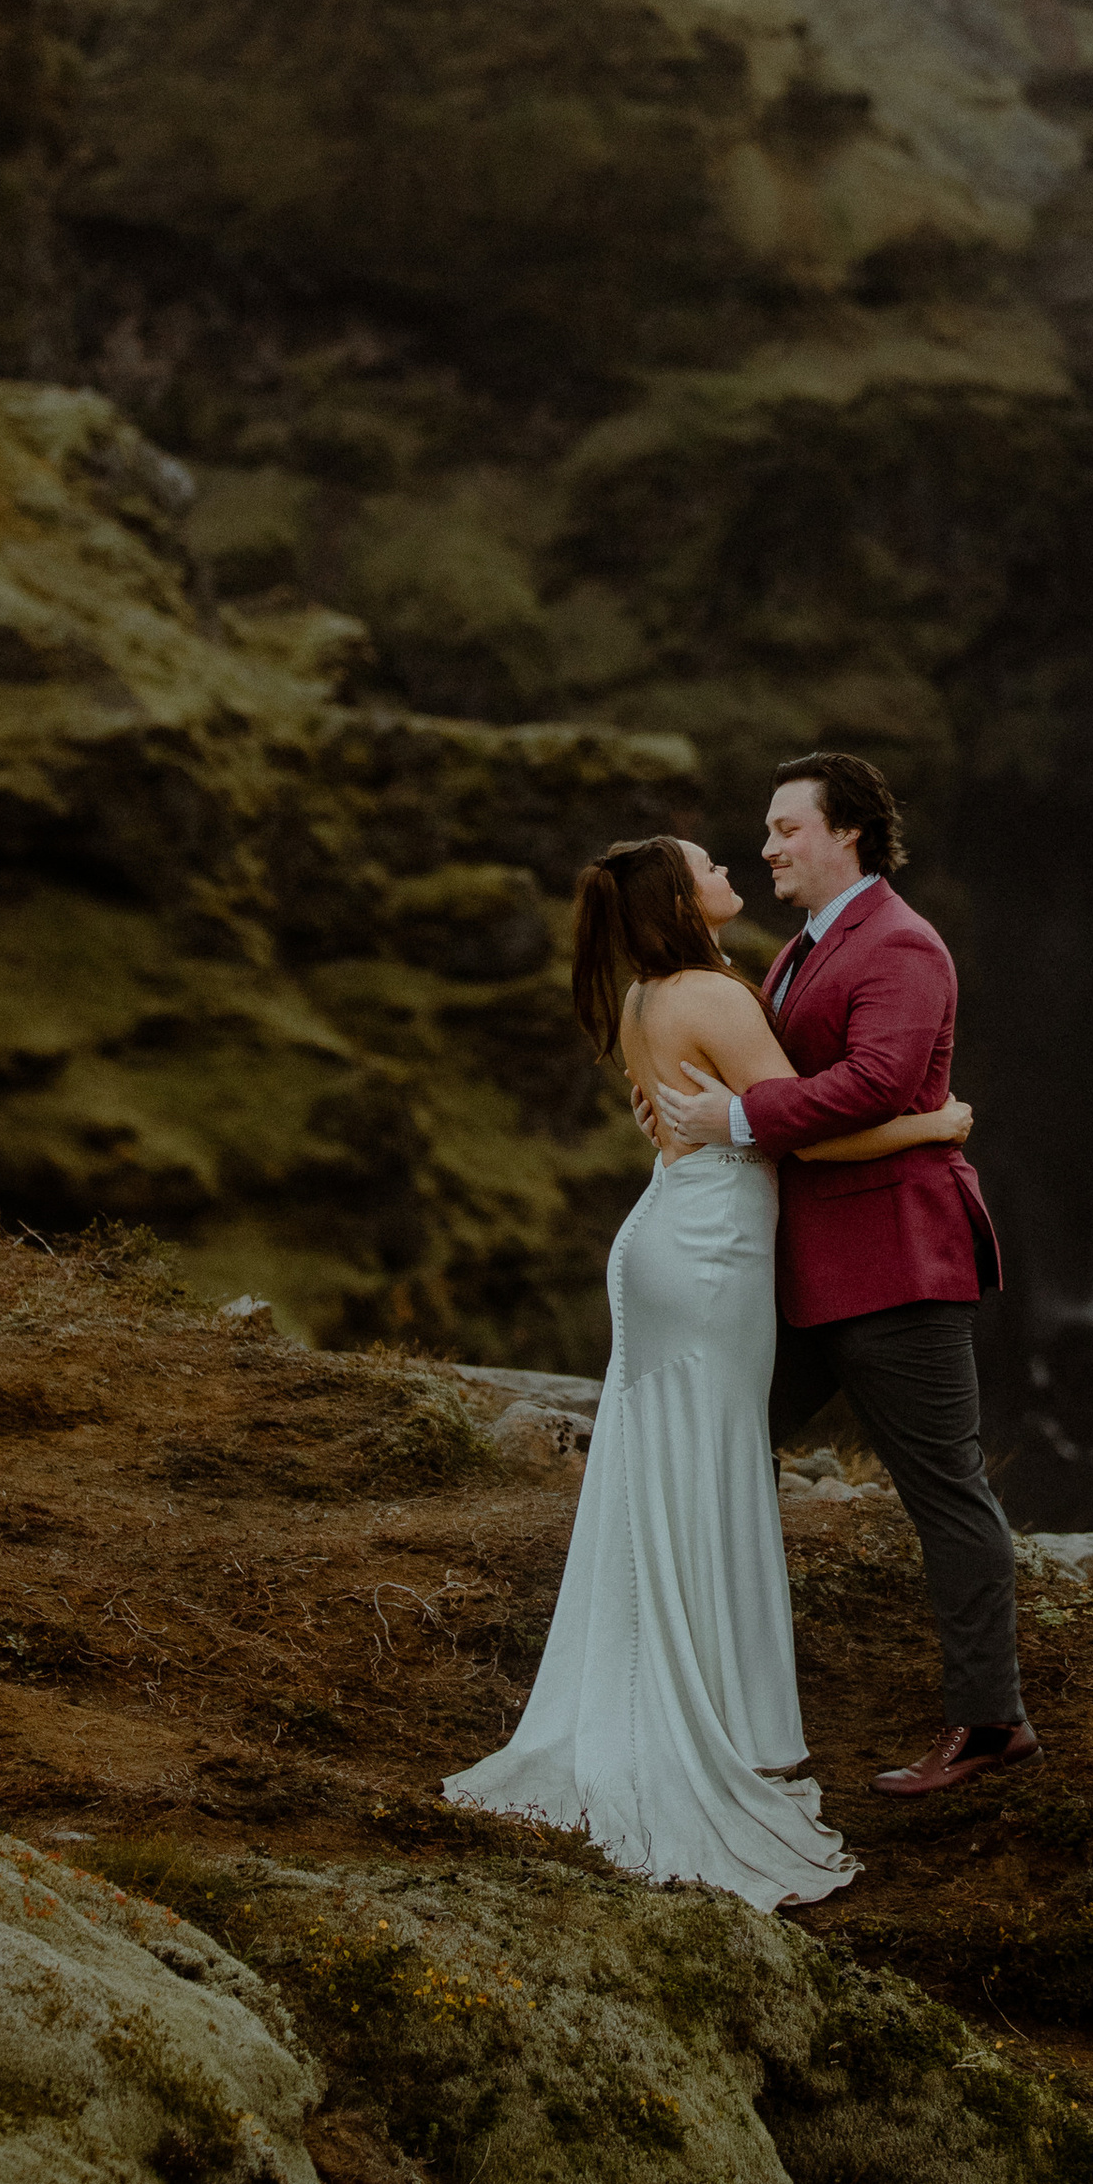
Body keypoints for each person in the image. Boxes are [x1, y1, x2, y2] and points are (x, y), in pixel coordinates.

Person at [442, 829, 971, 1909]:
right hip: (710, 1258)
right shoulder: (715, 996)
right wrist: (938, 1122)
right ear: (682, 900)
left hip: (664, 1238)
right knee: (707, 1469)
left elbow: (712, 1115)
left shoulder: (649, 997)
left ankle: (668, 1703)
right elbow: (807, 1137)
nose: (734, 870)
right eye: (711, 866)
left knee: (664, 1475)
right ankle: (707, 1727)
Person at [654, 751, 1037, 1799]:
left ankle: (990, 1722)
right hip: (801, 1274)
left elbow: (874, 1084)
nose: (768, 845)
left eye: (786, 828)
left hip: (898, 1268)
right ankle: (689, 1688)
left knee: (945, 1495)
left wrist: (731, 1118)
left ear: (849, 835)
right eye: (768, 830)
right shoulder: (797, 954)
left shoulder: (902, 945)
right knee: (712, 1449)